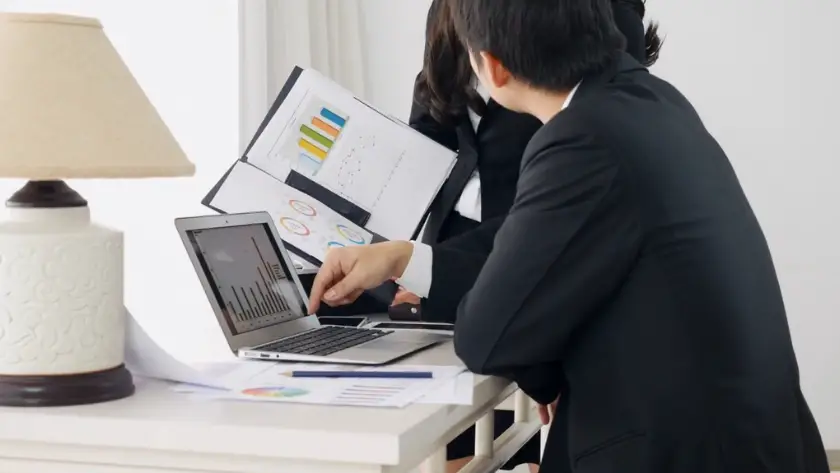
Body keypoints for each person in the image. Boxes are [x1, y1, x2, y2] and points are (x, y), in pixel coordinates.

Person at [308, 0, 830, 472]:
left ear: (492, 66)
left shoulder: (581, 139)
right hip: (752, 441)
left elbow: (486, 336)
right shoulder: (651, 101)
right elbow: (550, 244)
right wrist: (407, 258)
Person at [395, 1, 662, 471]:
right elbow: (432, 102)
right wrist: (412, 258)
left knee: (511, 403)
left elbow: (606, 101)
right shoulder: (449, 12)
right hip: (463, 240)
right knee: (459, 419)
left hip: (548, 229)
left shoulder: (592, 127)